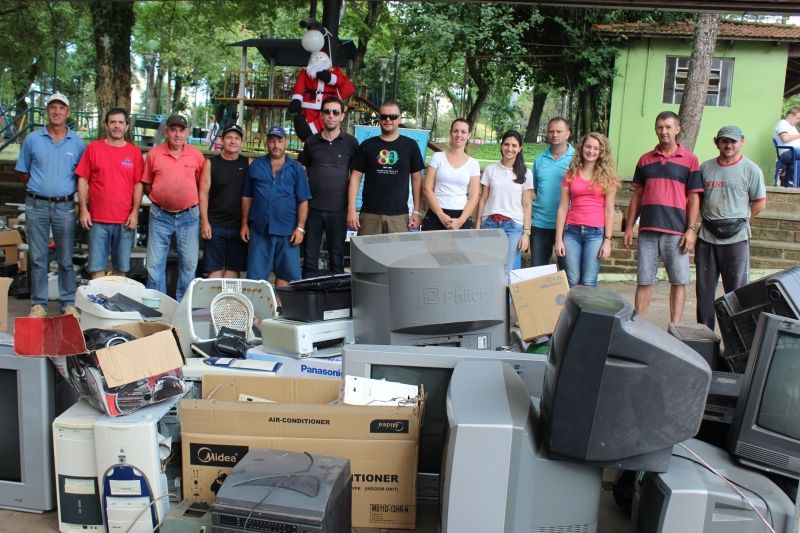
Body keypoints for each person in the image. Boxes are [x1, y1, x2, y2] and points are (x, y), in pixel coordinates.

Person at [623, 111, 702, 323]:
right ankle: (639, 327)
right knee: (644, 280)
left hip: (676, 232)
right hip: (647, 230)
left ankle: (675, 328)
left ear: (677, 129)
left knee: (678, 281)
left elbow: (694, 197)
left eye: (668, 127)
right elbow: (637, 195)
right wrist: (629, 226)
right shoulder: (645, 160)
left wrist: (691, 230)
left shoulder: (690, 160)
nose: (664, 131)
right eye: (660, 127)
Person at [15, 92, 85, 318]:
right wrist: (42, 188)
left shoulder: (77, 143)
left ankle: (68, 303)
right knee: (38, 257)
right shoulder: (33, 139)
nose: (57, 111)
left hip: (64, 207)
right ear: (47, 111)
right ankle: (39, 305)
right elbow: (23, 172)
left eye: (61, 108)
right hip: (36, 205)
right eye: (53, 107)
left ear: (68, 112)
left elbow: (82, 177)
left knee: (65, 258)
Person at [695, 125, 766, 330]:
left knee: (736, 294)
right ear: (717, 143)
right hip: (707, 238)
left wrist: (738, 223)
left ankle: (736, 336)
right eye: (724, 140)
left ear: (741, 142)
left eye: (733, 141)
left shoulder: (751, 169)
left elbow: (759, 203)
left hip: (737, 240)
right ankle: (704, 335)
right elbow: (697, 200)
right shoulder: (705, 168)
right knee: (704, 291)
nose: (728, 145)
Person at [141, 113, 206, 301]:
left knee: (189, 264)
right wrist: (160, 198)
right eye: (173, 130)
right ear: (166, 132)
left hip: (189, 216)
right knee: (154, 264)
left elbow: (201, 184)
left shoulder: (196, 155)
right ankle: (157, 306)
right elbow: (147, 183)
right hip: (160, 215)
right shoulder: (154, 154)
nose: (177, 134)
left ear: (187, 133)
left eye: (181, 131)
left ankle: (182, 307)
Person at [75, 108, 143, 280]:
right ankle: (97, 299)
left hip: (125, 221)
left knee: (121, 270)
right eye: (112, 122)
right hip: (97, 220)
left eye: (120, 122)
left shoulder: (134, 152)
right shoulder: (93, 148)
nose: (116, 126)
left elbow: (138, 184)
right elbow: (83, 179)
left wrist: (135, 212)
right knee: (97, 269)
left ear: (127, 126)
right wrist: (83, 209)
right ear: (106, 125)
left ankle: (117, 299)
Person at [241, 126, 311, 286]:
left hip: (288, 232)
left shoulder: (296, 169)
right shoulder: (256, 166)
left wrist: (300, 228)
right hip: (260, 230)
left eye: (280, 141)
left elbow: (303, 200)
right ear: (267, 143)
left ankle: (281, 303)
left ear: (285, 142)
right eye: (272, 141)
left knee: (286, 276)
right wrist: (244, 224)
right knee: (256, 279)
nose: (276, 145)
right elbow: (247, 196)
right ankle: (260, 304)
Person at [298, 96, 358, 277]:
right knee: (310, 260)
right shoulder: (311, 142)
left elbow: (355, 176)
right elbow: (306, 171)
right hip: (313, 209)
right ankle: (308, 294)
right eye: (327, 112)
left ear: (342, 116)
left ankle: (334, 294)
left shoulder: (351, 143)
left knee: (337, 260)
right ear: (322, 115)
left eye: (335, 112)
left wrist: (351, 209)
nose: (331, 116)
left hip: (338, 210)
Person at [347, 102, 424, 235]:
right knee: (366, 249)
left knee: (397, 250)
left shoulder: (411, 146)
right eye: (384, 116)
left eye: (393, 116)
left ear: (399, 119)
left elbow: (417, 179)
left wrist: (416, 211)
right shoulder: (366, 145)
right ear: (379, 119)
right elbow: (355, 178)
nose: (388, 119)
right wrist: (351, 210)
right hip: (369, 215)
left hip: (399, 216)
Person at [554, 133, 618, 287]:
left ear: (601, 152)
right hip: (571, 232)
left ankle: (587, 305)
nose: (591, 151)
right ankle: (572, 305)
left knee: (588, 281)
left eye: (596, 148)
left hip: (595, 234)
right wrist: (558, 239)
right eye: (588, 146)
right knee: (572, 280)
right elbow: (563, 208)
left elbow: (609, 211)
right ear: (582, 147)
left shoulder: (609, 177)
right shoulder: (570, 175)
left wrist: (607, 240)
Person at [475, 130, 533, 274]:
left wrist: (526, 233)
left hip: (513, 226)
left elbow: (527, 205)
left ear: (520, 148)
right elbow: (483, 199)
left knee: (507, 270)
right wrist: (478, 225)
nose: (509, 148)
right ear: (501, 146)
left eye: (514, 145)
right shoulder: (490, 170)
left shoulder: (526, 173)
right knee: (487, 267)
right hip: (489, 224)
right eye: (506, 144)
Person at [199, 124, 249, 279]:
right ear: (221, 140)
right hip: (215, 225)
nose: (232, 141)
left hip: (238, 226)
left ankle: (228, 297)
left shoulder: (248, 163)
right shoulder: (211, 163)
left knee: (233, 270)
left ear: (242, 142)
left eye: (236, 138)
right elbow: (203, 194)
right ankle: (213, 296)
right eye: (229, 137)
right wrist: (205, 222)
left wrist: (246, 224)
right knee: (214, 270)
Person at [421, 118, 480, 231]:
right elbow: (427, 188)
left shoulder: (473, 164)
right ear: (450, 133)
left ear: (468, 135)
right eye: (455, 131)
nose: (459, 135)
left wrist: (460, 221)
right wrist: (441, 215)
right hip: (436, 213)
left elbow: (474, 196)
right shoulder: (437, 157)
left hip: (462, 216)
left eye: (463, 132)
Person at [532, 117, 574, 266]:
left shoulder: (577, 159)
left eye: (559, 131)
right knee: (538, 271)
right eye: (551, 131)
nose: (554, 135)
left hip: (568, 226)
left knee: (568, 273)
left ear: (568, 133)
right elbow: (536, 189)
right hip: (540, 223)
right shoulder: (539, 160)